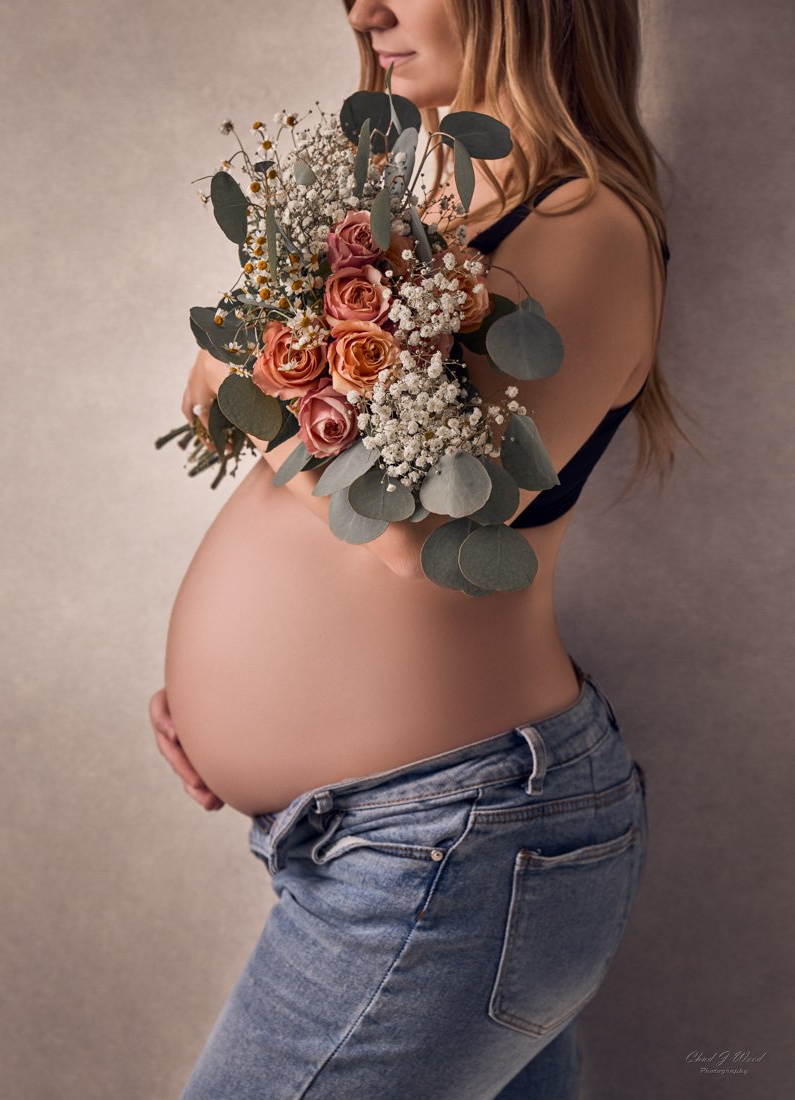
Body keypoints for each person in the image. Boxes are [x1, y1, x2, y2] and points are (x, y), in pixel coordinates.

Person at [149, 1, 691, 1095]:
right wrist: (231, 688)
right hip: (399, 836)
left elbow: (424, 535)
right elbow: (232, 423)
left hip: (454, 841)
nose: (365, 9)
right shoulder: (412, 200)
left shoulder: (584, 225)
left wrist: (254, 375)